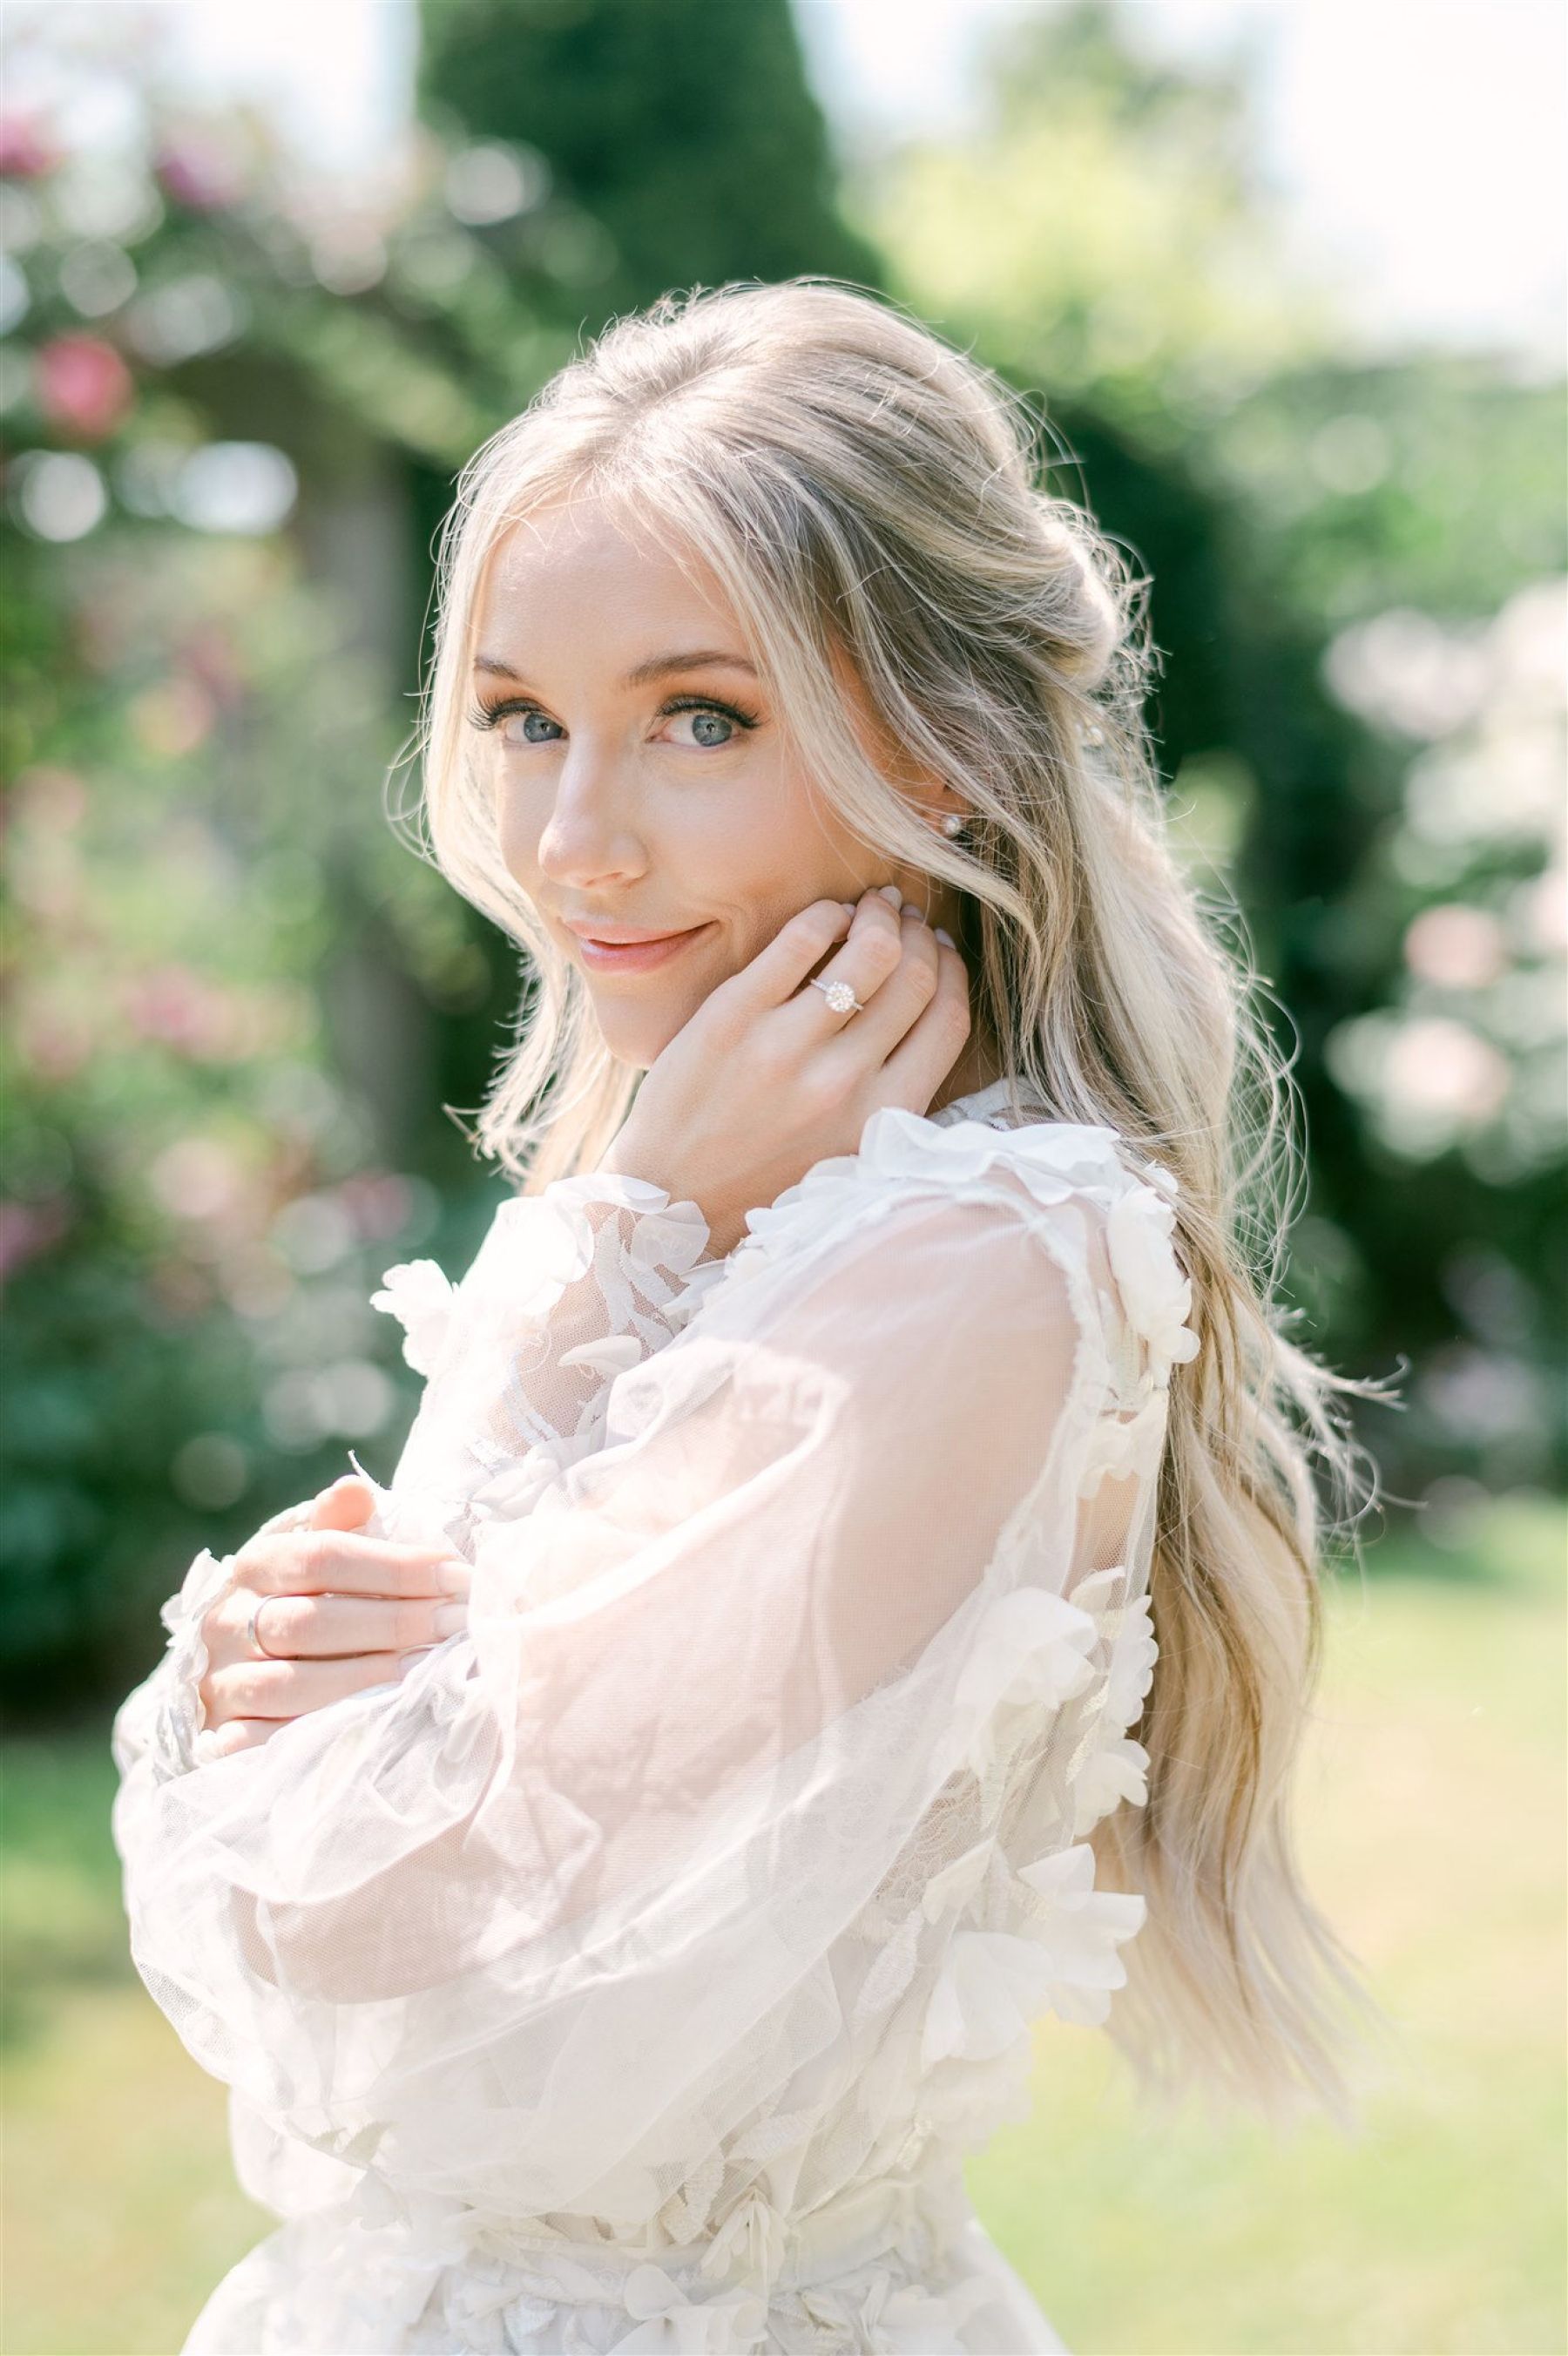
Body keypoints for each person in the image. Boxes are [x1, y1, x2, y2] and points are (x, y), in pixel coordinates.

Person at [110, 280, 1388, 2356]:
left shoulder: (971, 1252)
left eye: (702, 716)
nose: (571, 837)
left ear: (943, 744)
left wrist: (593, 1241)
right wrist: (277, 1663)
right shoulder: (756, 1205)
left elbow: (374, 1974)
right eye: (524, 715)